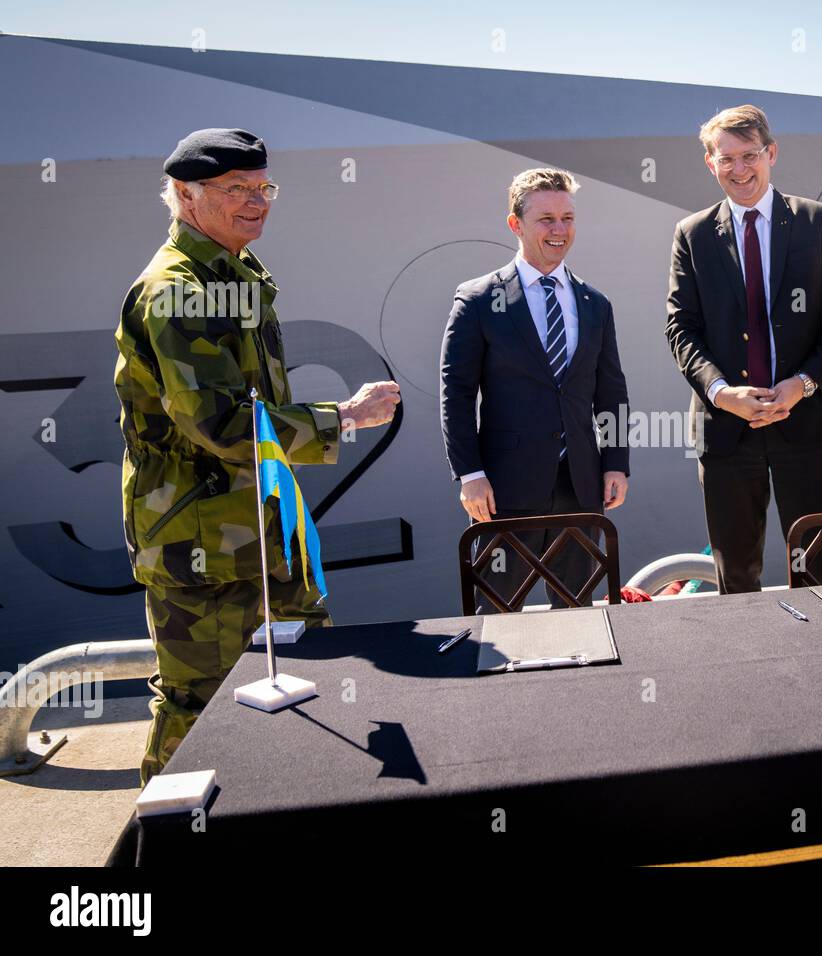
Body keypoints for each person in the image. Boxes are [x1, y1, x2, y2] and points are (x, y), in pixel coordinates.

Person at [114, 128, 400, 784]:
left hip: (260, 530)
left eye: (263, 187)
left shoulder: (234, 272)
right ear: (186, 196)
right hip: (200, 543)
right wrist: (345, 418)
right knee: (199, 705)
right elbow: (217, 422)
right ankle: (160, 848)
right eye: (236, 189)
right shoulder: (177, 287)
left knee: (300, 679)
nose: (257, 201)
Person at [665, 105, 822, 593]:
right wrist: (720, 392)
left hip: (809, 426)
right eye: (725, 158)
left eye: (749, 155)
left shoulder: (818, 223)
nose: (739, 169)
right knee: (735, 576)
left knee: (818, 572)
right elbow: (680, 327)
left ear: (770, 153)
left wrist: (804, 383)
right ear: (710, 163)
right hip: (727, 433)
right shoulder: (692, 236)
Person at [440, 168, 630, 611]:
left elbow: (612, 392)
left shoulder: (595, 304)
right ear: (516, 224)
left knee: (579, 613)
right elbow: (457, 393)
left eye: (567, 218)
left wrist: (616, 463)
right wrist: (469, 475)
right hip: (504, 492)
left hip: (580, 488)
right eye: (546, 219)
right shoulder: (478, 300)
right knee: (499, 617)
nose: (559, 230)